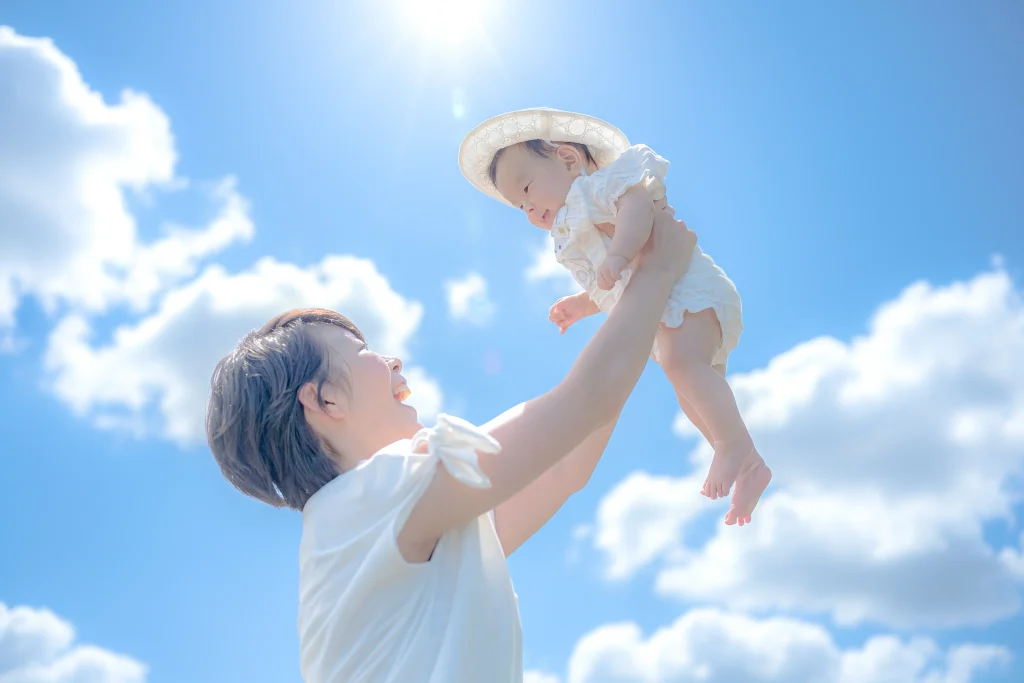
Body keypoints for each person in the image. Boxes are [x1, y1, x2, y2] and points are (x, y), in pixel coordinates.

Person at [205, 206, 695, 682]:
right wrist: (655, 272)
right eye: (363, 351)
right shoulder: (368, 498)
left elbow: (563, 464)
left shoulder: (379, 523)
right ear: (325, 399)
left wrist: (637, 305)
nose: (393, 361)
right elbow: (581, 403)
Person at [458, 107, 771, 525]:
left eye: (528, 189)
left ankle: (732, 444)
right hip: (669, 309)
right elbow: (611, 285)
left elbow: (636, 207)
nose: (530, 209)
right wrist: (582, 303)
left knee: (682, 366)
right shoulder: (574, 230)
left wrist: (621, 252)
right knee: (689, 391)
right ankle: (748, 464)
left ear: (567, 158)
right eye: (520, 207)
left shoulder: (598, 186)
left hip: (690, 290)